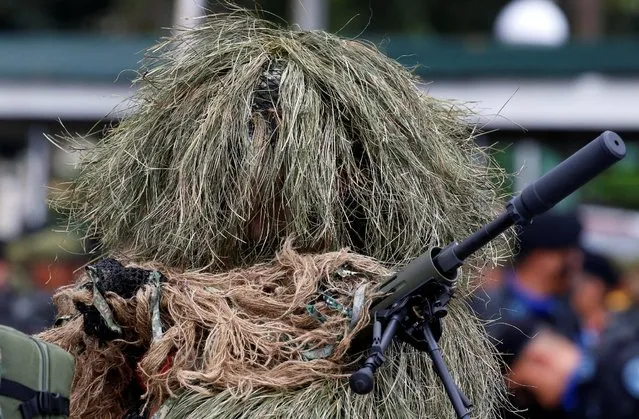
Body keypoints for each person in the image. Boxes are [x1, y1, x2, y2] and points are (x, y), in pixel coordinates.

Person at [37, 11, 512, 419]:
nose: (251, 190)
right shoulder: (149, 294)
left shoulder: (395, 320)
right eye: (240, 153)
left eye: (277, 154)